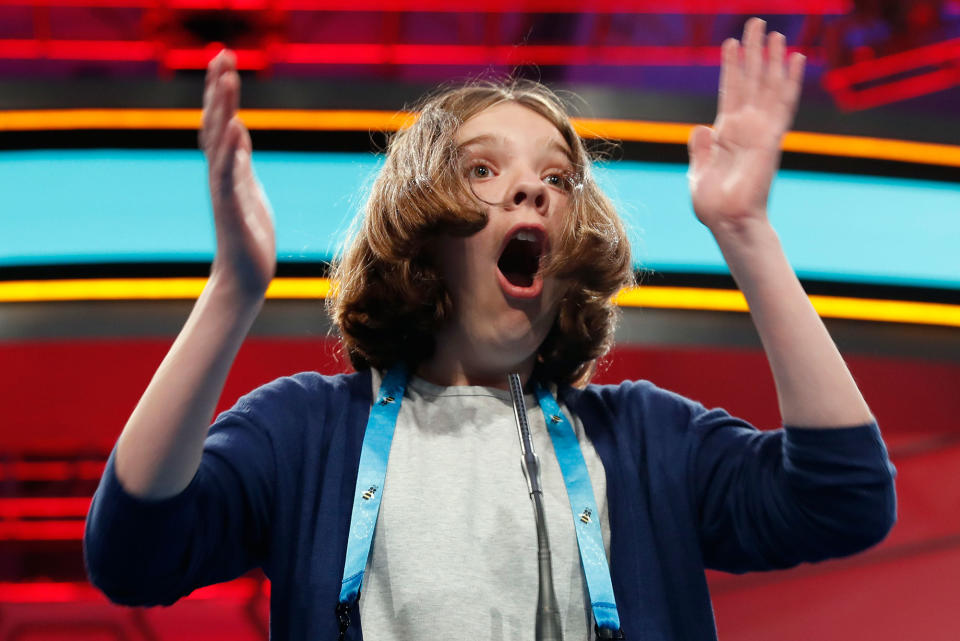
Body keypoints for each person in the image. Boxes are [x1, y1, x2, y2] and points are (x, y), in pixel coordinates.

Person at [84, 18, 896, 641]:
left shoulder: (649, 439)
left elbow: (846, 498)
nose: (531, 191)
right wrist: (233, 289)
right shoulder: (305, 432)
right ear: (424, 229)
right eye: (484, 169)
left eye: (556, 176)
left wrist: (746, 229)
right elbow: (131, 554)